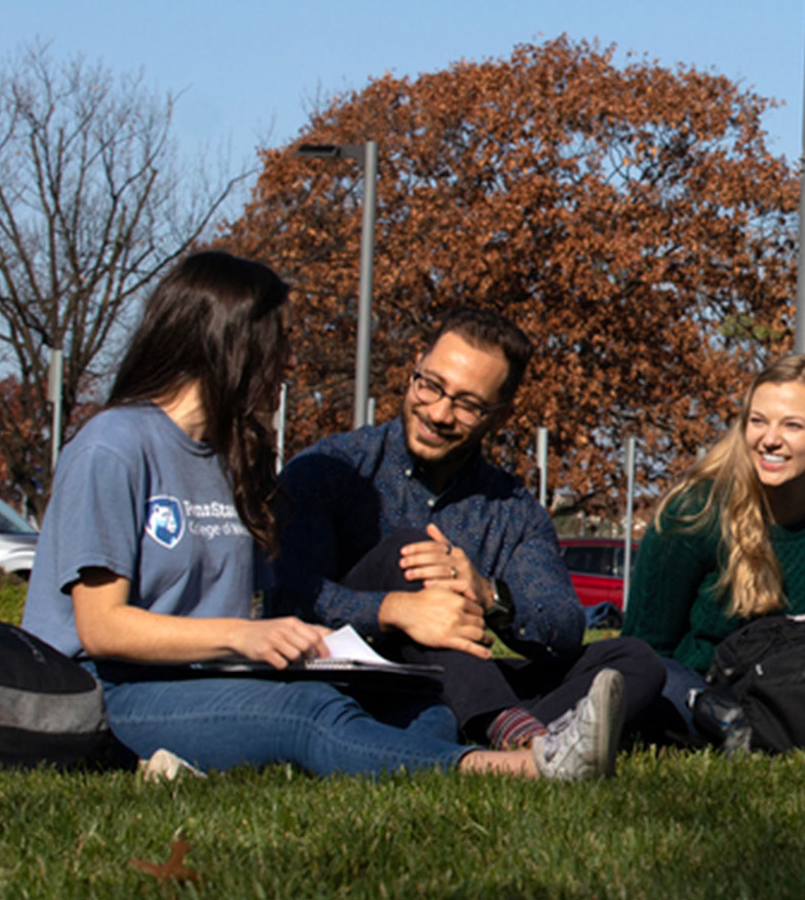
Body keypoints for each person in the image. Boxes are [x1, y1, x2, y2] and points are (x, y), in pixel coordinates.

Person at [20, 251, 603, 779]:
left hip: (210, 681)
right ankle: (516, 770)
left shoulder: (231, 461)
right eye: (279, 342)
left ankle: (423, 759)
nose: (289, 361)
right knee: (305, 712)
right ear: (231, 344)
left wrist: (316, 641)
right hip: (110, 691)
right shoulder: (112, 447)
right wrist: (245, 637)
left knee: (420, 702)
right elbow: (101, 629)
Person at [269, 308, 661, 759]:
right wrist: (396, 610)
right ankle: (521, 736)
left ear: (500, 416)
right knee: (412, 550)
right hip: (349, 677)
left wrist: (488, 594)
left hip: (453, 683)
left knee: (633, 660)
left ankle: (487, 730)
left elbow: (565, 627)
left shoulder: (512, 508)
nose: (438, 412)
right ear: (415, 365)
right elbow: (289, 601)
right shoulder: (331, 469)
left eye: (467, 405)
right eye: (430, 385)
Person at [622, 354, 805, 739]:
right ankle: (754, 733)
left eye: (792, 425)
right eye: (757, 421)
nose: (769, 439)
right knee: (654, 677)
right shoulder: (695, 513)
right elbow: (644, 650)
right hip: (711, 689)